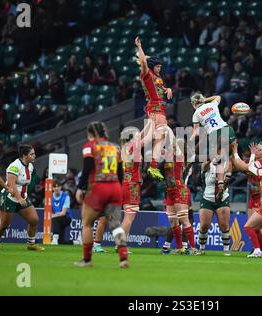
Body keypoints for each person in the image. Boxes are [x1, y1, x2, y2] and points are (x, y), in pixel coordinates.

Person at [74, 121, 129, 268]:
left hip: (98, 187)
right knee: (116, 225)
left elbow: (87, 168)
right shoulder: (114, 148)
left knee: (87, 224)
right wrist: (118, 186)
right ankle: (123, 259)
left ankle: (87, 260)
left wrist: (80, 188)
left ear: (90, 133)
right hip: (115, 187)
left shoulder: (89, 146)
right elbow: (120, 172)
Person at [230, 142, 262, 258]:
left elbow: (250, 167)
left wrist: (252, 154)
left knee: (248, 227)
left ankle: (257, 250)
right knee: (257, 228)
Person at [135, 36, 173, 181]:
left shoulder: (157, 77)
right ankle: (132, 149)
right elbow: (143, 62)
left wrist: (167, 89)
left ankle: (153, 165)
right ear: (151, 67)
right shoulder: (146, 75)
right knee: (155, 135)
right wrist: (139, 47)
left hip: (160, 110)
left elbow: (159, 87)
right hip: (154, 110)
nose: (159, 68)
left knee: (158, 136)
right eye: (157, 66)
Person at [0, 145, 45, 251]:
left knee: (34, 220)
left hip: (22, 197)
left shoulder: (30, 166)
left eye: (34, 153)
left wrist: (23, 197)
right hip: (9, 198)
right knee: (4, 224)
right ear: (24, 156)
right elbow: (11, 185)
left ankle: (31, 245)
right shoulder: (15, 166)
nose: (34, 156)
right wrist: (19, 198)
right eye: (32, 154)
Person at [190, 93, 237, 200]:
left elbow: (196, 132)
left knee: (217, 159)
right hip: (227, 129)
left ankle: (220, 183)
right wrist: (206, 99)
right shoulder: (212, 105)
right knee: (230, 156)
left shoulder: (196, 113)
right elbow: (218, 97)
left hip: (214, 134)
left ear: (193, 104)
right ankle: (228, 175)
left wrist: (189, 141)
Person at [197, 160, 232, 256]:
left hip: (222, 198)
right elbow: (204, 167)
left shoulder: (227, 163)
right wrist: (210, 160)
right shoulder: (207, 164)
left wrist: (221, 191)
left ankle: (226, 250)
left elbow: (227, 180)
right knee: (204, 226)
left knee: (224, 225)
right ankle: (202, 249)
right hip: (207, 198)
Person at [51, 179, 73, 245]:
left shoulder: (66, 197)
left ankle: (54, 238)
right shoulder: (49, 197)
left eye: (58, 186)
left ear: (61, 187)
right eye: (54, 187)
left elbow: (63, 213)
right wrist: (53, 215)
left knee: (56, 219)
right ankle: (76, 242)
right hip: (57, 218)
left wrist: (53, 215)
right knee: (61, 242)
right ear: (52, 188)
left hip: (66, 218)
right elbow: (49, 211)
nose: (56, 188)